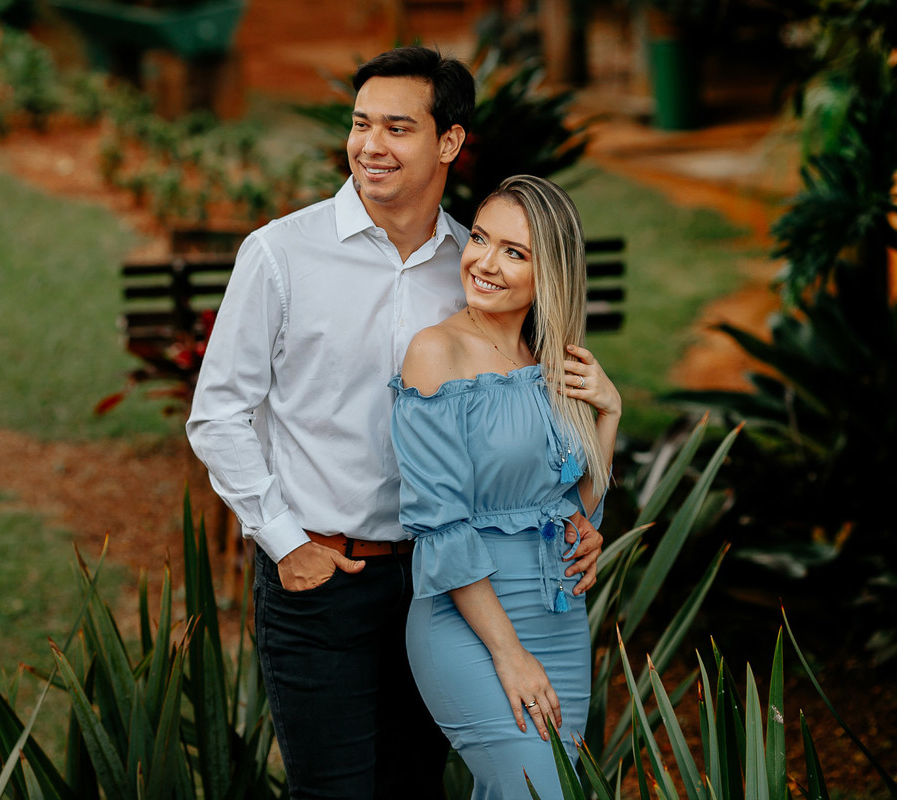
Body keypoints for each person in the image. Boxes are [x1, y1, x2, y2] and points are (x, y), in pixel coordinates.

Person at [187, 48, 603, 799]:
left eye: (397, 127)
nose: (370, 145)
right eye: (360, 124)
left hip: (443, 585)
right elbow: (218, 415)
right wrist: (284, 541)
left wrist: (578, 510)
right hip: (324, 578)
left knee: (417, 789)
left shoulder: (473, 264)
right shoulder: (282, 254)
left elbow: (528, 413)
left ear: (448, 142)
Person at [390, 175, 622, 799]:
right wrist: (509, 655)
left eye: (513, 253)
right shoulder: (437, 353)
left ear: (550, 273)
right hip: (471, 623)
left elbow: (574, 511)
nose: (484, 263)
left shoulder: (552, 359)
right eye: (482, 240)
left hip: (560, 617)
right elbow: (442, 524)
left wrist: (610, 414)